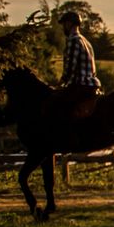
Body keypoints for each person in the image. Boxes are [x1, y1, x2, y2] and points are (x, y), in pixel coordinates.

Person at [46, 11, 102, 144]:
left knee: (57, 105)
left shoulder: (73, 40)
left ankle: (68, 137)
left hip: (81, 84)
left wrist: (62, 81)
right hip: (92, 83)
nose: (63, 28)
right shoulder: (85, 41)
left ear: (69, 24)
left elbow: (71, 65)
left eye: (64, 24)